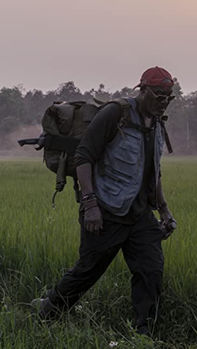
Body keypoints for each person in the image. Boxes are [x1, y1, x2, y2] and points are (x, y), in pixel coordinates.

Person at [33, 67, 178, 336]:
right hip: (106, 211)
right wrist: (90, 205)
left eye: (168, 97)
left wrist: (165, 210)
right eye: (158, 96)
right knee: (87, 272)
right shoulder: (116, 114)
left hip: (140, 216)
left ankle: (144, 333)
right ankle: (47, 312)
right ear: (142, 90)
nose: (163, 102)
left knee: (151, 272)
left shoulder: (158, 123)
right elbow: (84, 157)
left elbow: (154, 170)